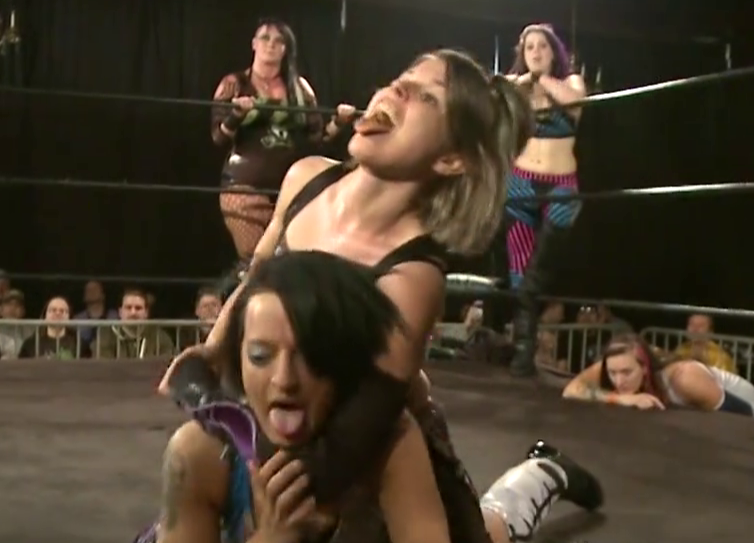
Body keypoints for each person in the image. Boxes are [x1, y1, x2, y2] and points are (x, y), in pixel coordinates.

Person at [121, 251, 661, 543]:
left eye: (311, 356)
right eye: (261, 356)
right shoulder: (203, 452)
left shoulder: (387, 437)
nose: (283, 381)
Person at [165, 48, 530, 504]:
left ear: (451, 158)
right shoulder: (306, 178)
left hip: (358, 463)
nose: (399, 88)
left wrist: (265, 467)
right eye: (403, 77)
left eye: (427, 96)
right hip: (276, 423)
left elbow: (350, 443)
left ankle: (540, 478)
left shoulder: (412, 274)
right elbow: (257, 278)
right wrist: (213, 350)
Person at [211, 18, 355, 269]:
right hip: (244, 188)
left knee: (287, 265)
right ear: (254, 44)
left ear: (286, 48)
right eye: (265, 38)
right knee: (256, 263)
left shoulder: (299, 88)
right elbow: (218, 137)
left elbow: (318, 139)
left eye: (279, 41)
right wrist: (236, 115)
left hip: (290, 191)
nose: (271, 45)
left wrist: (339, 122)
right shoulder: (234, 84)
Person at [502, 24, 588, 377]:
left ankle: (527, 341)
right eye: (529, 47)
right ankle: (524, 351)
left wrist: (541, 79)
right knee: (520, 270)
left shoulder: (571, 82)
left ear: (554, 52)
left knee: (540, 267)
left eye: (542, 46)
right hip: (521, 183)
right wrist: (526, 80)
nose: (535, 52)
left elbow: (575, 104)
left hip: (560, 184)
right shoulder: (517, 87)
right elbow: (496, 95)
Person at [562, 333, 754, 418]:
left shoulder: (683, 378)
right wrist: (620, 398)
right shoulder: (619, 360)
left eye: (626, 373)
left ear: (644, 368)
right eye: (612, 373)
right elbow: (571, 391)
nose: (618, 381)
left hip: (749, 408)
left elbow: (743, 412)